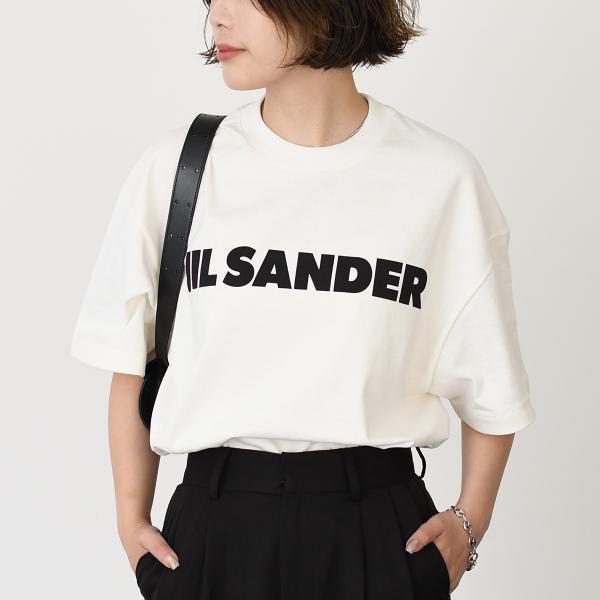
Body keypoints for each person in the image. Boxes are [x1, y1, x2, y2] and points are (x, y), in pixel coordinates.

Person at [70, 1, 536, 598]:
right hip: (214, 531)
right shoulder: (179, 169)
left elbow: (492, 385)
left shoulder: (440, 178)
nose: (218, 17)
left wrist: (471, 521)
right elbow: (132, 361)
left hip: (376, 530)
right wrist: (131, 521)